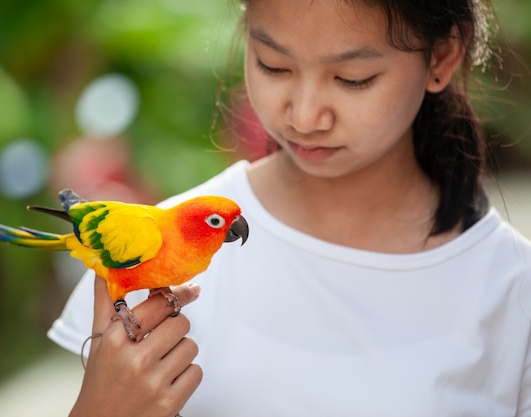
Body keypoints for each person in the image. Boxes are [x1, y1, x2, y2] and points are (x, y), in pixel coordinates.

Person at [48, 0, 531, 416]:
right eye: (274, 65)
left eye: (352, 78)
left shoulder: (511, 290)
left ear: (442, 57)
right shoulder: (152, 248)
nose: (303, 115)